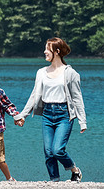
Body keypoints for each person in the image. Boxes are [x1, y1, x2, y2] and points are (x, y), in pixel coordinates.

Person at [18, 37, 86, 181]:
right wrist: (23, 115)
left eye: (47, 49)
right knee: (48, 152)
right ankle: (54, 181)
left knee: (58, 150)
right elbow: (34, 96)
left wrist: (82, 121)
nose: (44, 52)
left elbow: (77, 98)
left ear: (57, 51)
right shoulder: (41, 72)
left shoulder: (70, 73)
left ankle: (75, 170)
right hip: (47, 114)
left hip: (64, 114)